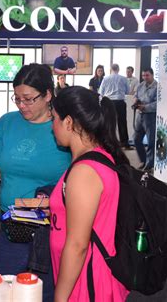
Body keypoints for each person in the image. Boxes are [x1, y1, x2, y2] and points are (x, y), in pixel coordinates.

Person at [0, 64, 71, 302]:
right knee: (3, 289)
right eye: (17, 99)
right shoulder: (8, 122)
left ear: (48, 95)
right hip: (11, 226)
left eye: (28, 99)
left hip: (50, 231)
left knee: (43, 293)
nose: (22, 106)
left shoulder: (65, 127)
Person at [50, 86, 130, 302]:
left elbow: (78, 245)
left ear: (68, 122)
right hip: (85, 275)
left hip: (86, 281)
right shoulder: (98, 157)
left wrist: (60, 297)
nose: (52, 126)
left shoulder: (85, 171)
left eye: (54, 119)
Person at [99, 63, 131, 149]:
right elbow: (128, 91)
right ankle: (125, 143)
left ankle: (108, 143)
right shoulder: (123, 78)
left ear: (111, 69)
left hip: (108, 102)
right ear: (118, 69)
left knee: (109, 123)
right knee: (122, 123)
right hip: (120, 102)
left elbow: (101, 92)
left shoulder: (105, 78)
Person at [133, 68, 157, 172]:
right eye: (143, 75)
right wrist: (135, 101)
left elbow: (158, 103)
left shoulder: (158, 87)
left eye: (147, 75)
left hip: (150, 116)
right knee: (136, 139)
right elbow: (135, 95)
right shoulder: (140, 85)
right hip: (140, 115)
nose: (145, 78)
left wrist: (145, 107)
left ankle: (149, 164)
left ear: (152, 75)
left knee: (151, 141)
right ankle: (143, 160)